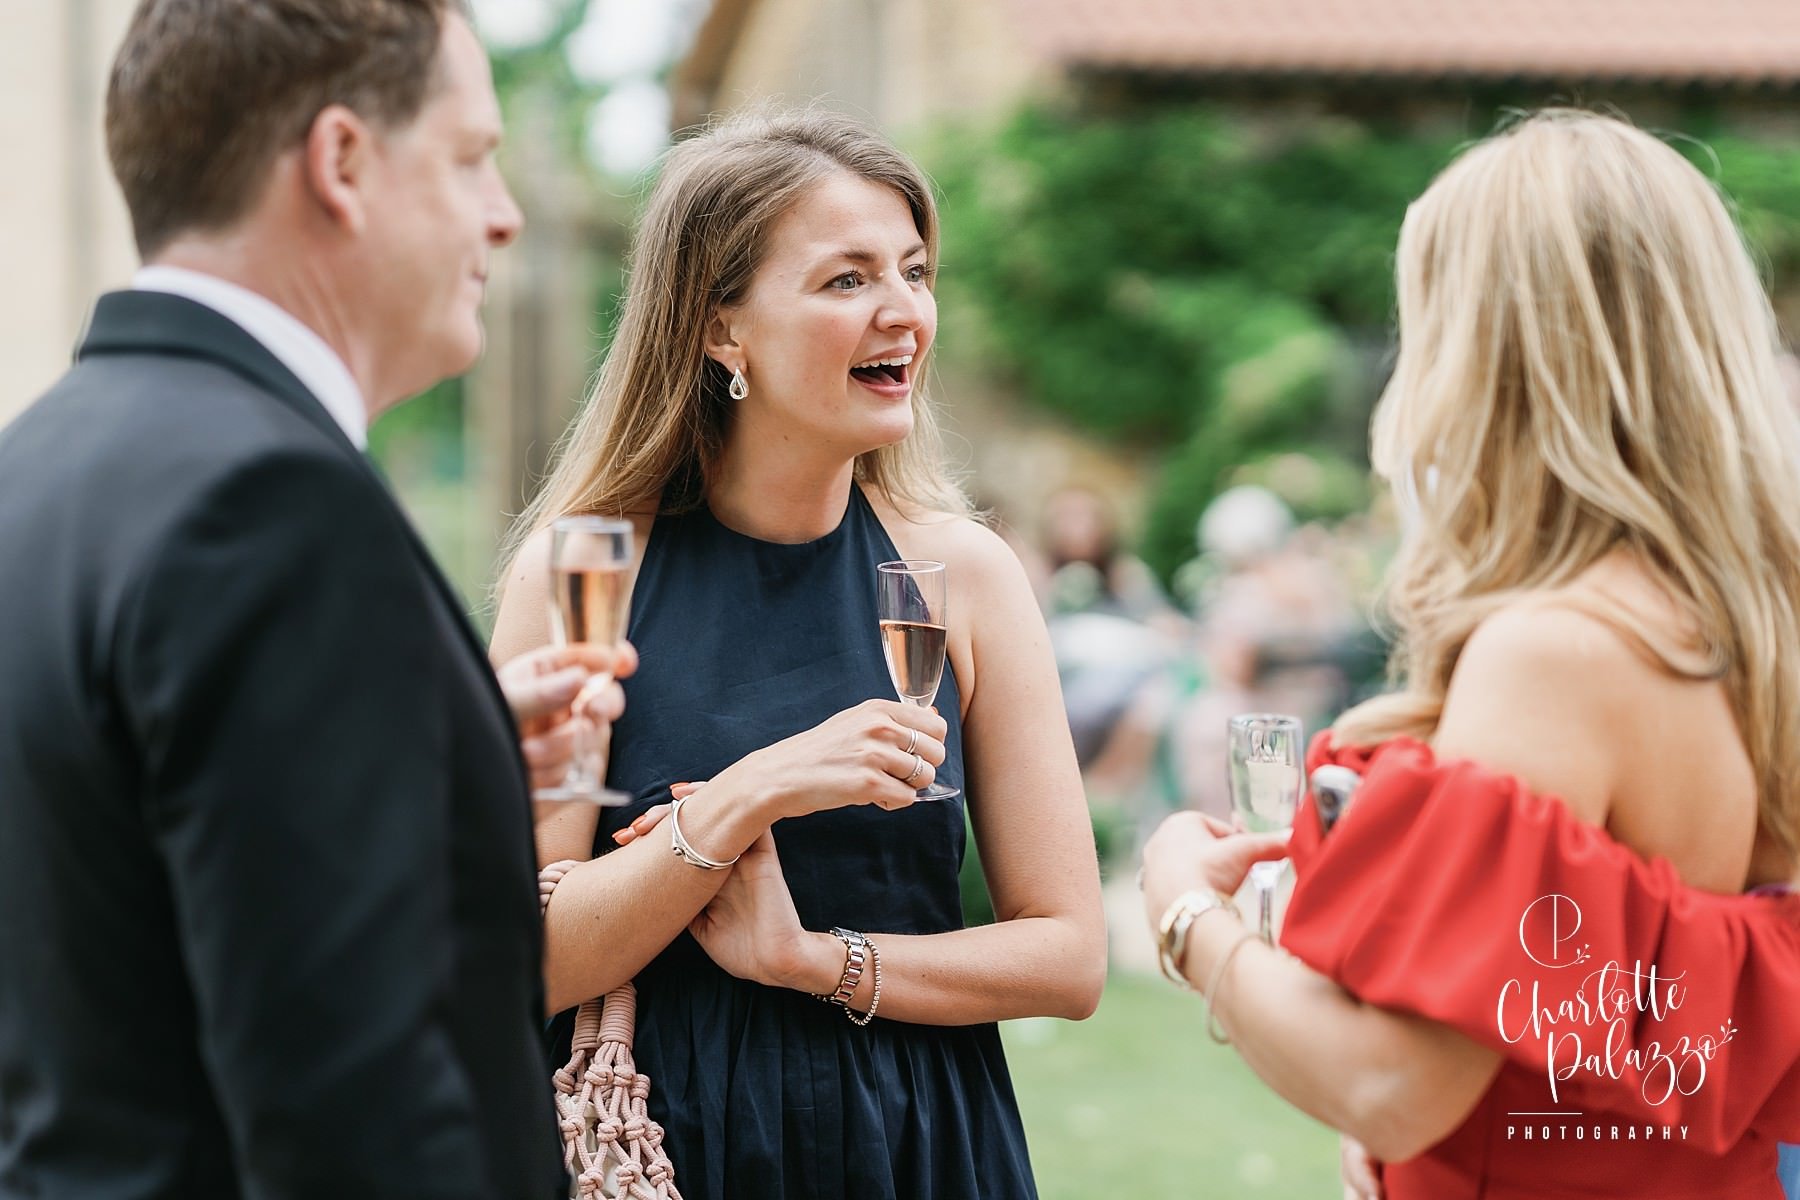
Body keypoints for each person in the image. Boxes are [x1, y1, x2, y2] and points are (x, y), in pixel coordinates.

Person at [0, 1, 621, 1195]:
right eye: (471, 157)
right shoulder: (275, 504)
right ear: (342, 162)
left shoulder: (38, 469)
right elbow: (354, 1112)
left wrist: (442, 761)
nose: (506, 212)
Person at [1139, 109, 1800, 1198]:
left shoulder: (1557, 652)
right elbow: (1615, 1038)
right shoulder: (1742, 630)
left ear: (1485, 354)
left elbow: (1396, 1084)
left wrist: (1185, 916)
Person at [490, 108, 1107, 1200]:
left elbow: (1069, 956)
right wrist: (740, 801)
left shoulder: (965, 578)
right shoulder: (585, 576)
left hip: (918, 1144)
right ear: (721, 328)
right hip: (658, 1146)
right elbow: (522, 961)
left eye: (915, 272)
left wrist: (809, 959)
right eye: (846, 280)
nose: (904, 313)